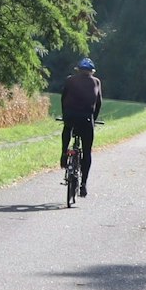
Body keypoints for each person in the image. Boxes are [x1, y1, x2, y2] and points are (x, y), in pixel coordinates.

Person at [61, 58, 100, 197]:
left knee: (67, 129)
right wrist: (93, 120)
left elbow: (63, 98)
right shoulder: (96, 82)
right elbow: (98, 104)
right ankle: (83, 184)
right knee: (87, 151)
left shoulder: (70, 80)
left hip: (70, 115)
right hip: (86, 118)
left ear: (78, 70)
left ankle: (64, 154)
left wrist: (65, 115)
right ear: (91, 71)